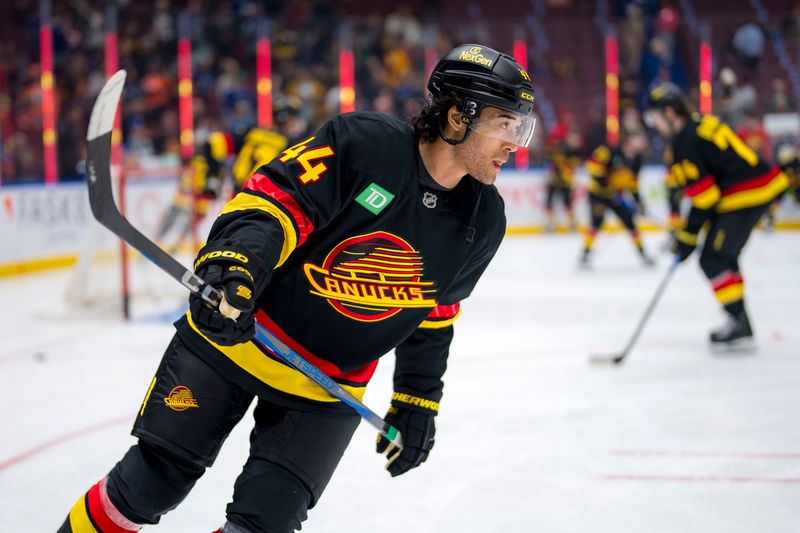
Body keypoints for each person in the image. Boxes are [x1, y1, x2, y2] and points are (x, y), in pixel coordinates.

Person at [58, 43, 537, 533]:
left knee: (266, 523)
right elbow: (275, 206)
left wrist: (418, 398)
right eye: (505, 124)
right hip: (236, 336)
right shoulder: (365, 145)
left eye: (521, 127)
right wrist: (235, 266)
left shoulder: (484, 219)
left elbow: (435, 312)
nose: (515, 142)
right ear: (458, 116)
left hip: (326, 387)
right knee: (150, 484)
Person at [644, 83, 790, 347]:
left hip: (745, 193)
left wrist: (688, 236)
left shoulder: (684, 141)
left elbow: (706, 198)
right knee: (724, 256)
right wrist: (690, 233)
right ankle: (739, 320)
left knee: (712, 259)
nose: (655, 124)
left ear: (669, 112)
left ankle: (739, 321)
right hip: (756, 186)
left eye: (655, 117)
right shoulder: (699, 124)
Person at [156, 99, 310, 247]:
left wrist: (214, 175)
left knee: (230, 229)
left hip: (238, 191)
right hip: (264, 195)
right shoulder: (291, 144)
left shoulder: (251, 132)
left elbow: (213, 143)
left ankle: (168, 239)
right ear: (287, 119)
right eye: (295, 119)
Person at [580, 130, 655, 267]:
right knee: (597, 223)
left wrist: (638, 202)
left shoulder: (637, 160)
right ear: (629, 140)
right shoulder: (609, 151)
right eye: (638, 137)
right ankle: (585, 254)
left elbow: (632, 183)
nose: (642, 140)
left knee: (630, 223)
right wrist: (608, 185)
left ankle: (643, 254)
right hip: (598, 194)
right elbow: (592, 167)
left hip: (616, 196)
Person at [544, 127, 581, 232]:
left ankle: (572, 223)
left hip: (566, 181)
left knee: (567, 202)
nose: (574, 141)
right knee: (549, 201)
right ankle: (549, 223)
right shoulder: (559, 145)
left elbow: (572, 167)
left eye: (576, 139)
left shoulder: (576, 152)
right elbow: (550, 157)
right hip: (554, 179)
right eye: (572, 138)